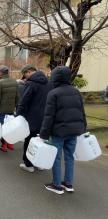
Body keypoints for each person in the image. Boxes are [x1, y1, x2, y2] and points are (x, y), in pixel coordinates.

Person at [40, 66, 87, 194]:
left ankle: (56, 185)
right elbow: (82, 112)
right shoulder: (76, 91)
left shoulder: (53, 93)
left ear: (55, 77)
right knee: (69, 157)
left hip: (58, 132)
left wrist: (44, 134)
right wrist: (83, 128)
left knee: (56, 157)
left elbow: (49, 116)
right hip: (74, 131)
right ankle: (68, 183)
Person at [16, 64, 52, 173]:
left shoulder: (31, 83)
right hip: (46, 117)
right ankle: (39, 163)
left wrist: (18, 115)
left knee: (29, 140)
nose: (25, 77)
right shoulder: (49, 83)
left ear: (29, 71)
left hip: (32, 118)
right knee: (41, 140)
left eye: (25, 74)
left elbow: (24, 101)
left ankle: (29, 164)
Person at [0, 65, 19, 152]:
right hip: (11, 110)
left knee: (2, 128)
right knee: (10, 127)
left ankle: (4, 146)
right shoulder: (15, 82)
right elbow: (17, 96)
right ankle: (10, 144)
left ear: (1, 73)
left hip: (1, 110)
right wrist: (15, 106)